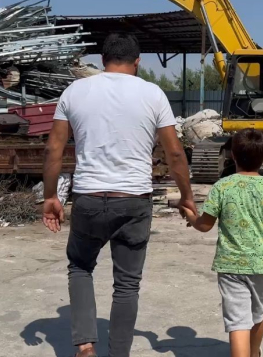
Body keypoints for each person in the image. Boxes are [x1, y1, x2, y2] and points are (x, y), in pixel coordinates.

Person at [42, 33, 196, 357]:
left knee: (80, 267)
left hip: (88, 197)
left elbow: (54, 148)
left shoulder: (75, 91)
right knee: (127, 283)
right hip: (134, 199)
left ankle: (86, 344)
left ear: (102, 60)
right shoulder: (152, 94)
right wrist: (187, 196)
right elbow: (175, 153)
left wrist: (51, 196)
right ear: (137, 62)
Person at [181, 128, 263, 357]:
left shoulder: (222, 187)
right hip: (262, 265)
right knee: (257, 314)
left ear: (232, 155)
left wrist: (190, 216)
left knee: (238, 323)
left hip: (231, 266)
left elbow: (204, 225)